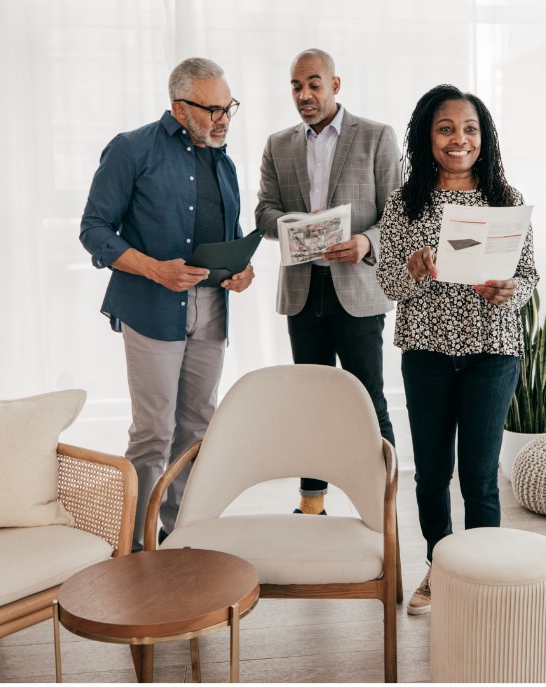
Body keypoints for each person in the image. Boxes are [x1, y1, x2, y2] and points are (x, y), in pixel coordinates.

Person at [376, 84, 539, 614]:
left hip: (492, 351)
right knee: (430, 475)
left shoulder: (506, 199)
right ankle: (440, 569)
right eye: (446, 128)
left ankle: (483, 577)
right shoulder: (405, 202)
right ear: (427, 135)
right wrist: (413, 269)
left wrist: (510, 288)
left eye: (469, 129)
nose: (458, 139)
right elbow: (389, 286)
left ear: (483, 137)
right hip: (426, 353)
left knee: (479, 475)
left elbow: (529, 275)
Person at [80, 57, 254, 551]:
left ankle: (179, 534)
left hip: (212, 308)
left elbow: (231, 233)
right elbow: (94, 230)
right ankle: (133, 545)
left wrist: (242, 269)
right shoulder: (131, 149)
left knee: (198, 428)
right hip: (151, 309)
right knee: (154, 431)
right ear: (179, 108)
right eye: (213, 109)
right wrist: (157, 269)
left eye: (229, 108)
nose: (223, 119)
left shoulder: (224, 161)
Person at [255, 48, 400, 516]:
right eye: (297, 87)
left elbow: (399, 216)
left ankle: (382, 505)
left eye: (314, 84)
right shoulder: (278, 145)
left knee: (367, 402)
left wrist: (365, 243)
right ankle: (311, 502)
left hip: (356, 291)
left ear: (335, 85)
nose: (305, 95)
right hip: (303, 292)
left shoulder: (377, 137)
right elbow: (263, 212)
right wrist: (296, 226)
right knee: (312, 405)